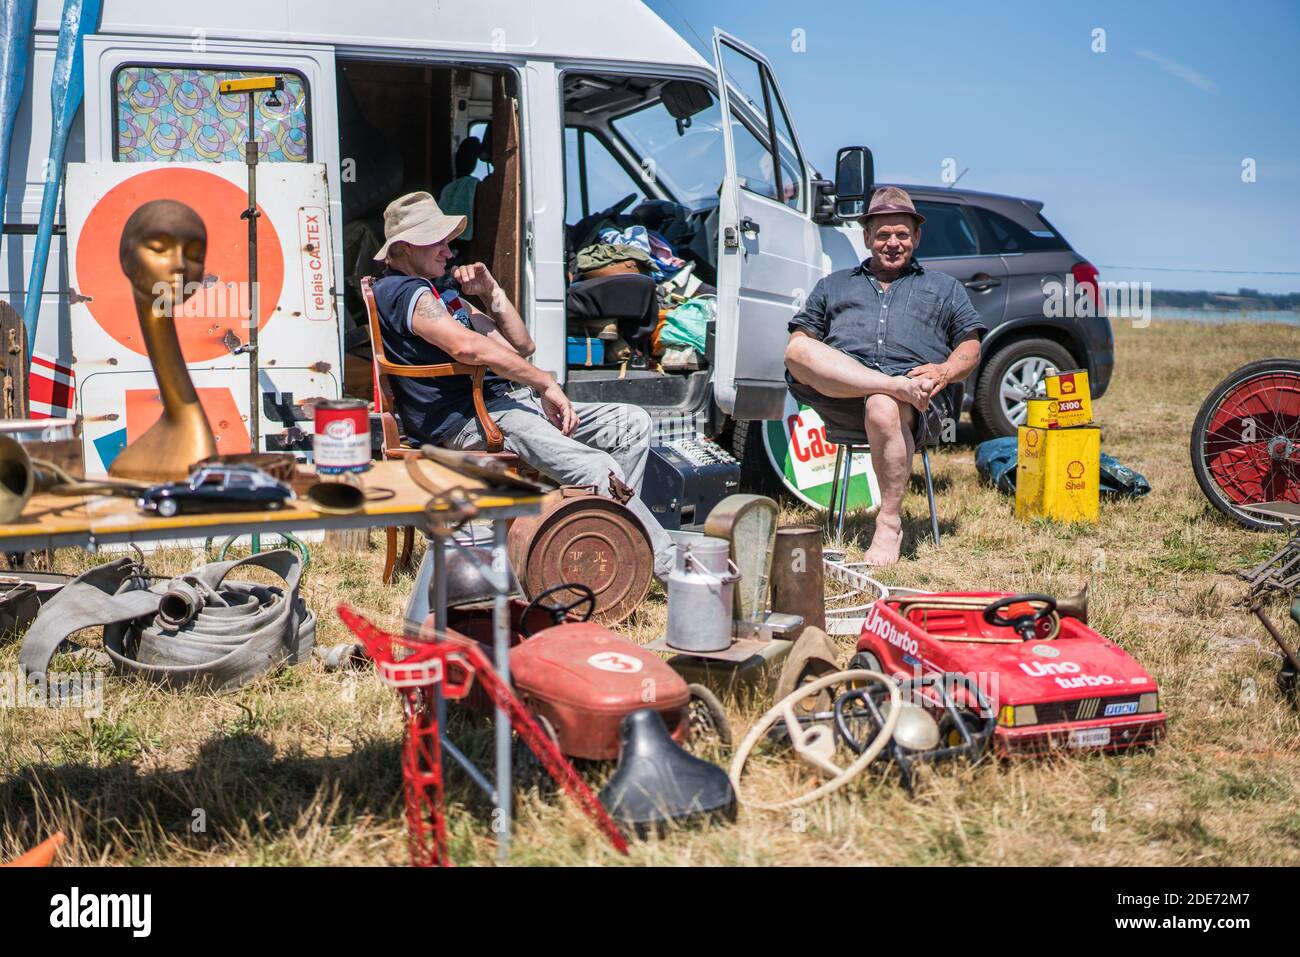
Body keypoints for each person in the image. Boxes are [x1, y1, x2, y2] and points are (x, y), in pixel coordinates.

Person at [369, 191, 676, 577]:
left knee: (630, 424)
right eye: (439, 242)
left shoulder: (440, 293)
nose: (450, 252)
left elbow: (520, 345)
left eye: (448, 242)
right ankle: (667, 568)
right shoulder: (402, 291)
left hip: (504, 408)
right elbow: (467, 346)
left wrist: (491, 291)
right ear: (405, 247)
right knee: (597, 468)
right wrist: (545, 383)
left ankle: (609, 547)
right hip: (470, 420)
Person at [783, 187, 985, 566]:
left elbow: (970, 349)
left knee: (882, 405)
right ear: (866, 238)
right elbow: (801, 347)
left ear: (916, 237)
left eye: (902, 235)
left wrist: (943, 371)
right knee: (797, 349)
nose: (893, 243)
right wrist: (891, 385)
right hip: (841, 398)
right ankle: (891, 386)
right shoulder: (834, 285)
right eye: (883, 235)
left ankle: (889, 522)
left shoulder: (945, 288)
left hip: (916, 404)